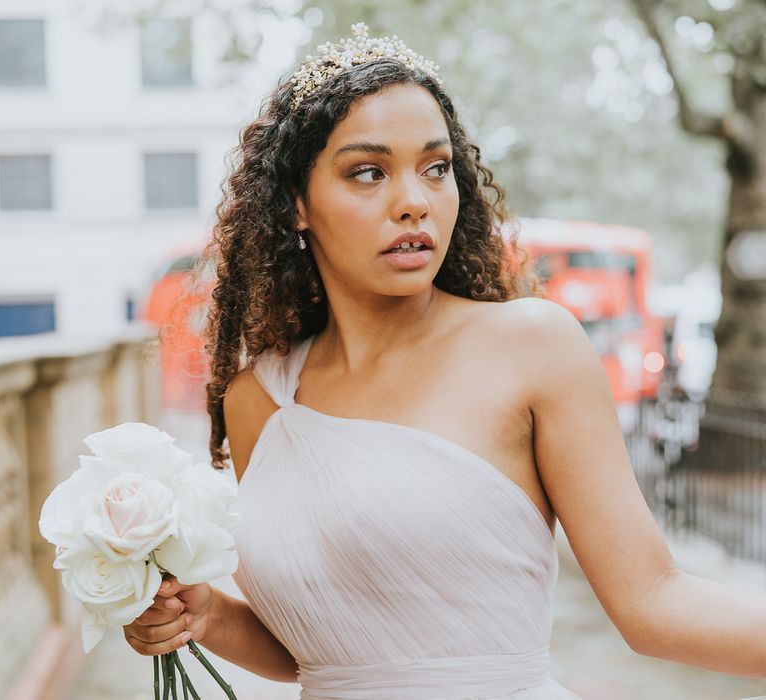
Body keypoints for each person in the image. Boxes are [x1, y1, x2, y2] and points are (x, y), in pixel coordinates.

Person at [123, 23, 766, 698]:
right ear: (296, 205)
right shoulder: (260, 400)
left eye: (436, 168)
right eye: (368, 173)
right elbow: (330, 648)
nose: (414, 202)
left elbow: (655, 600)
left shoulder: (532, 346)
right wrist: (210, 615)